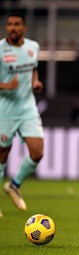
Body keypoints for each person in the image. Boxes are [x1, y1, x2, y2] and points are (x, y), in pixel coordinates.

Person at [0, 12, 44, 216]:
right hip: (6, 109)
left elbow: (33, 69)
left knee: (37, 152)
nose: (12, 28)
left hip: (27, 106)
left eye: (17, 24)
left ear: (24, 27)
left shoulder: (32, 47)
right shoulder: (0, 50)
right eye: (9, 24)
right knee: (2, 155)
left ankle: (14, 185)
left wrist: (35, 82)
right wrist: (7, 85)